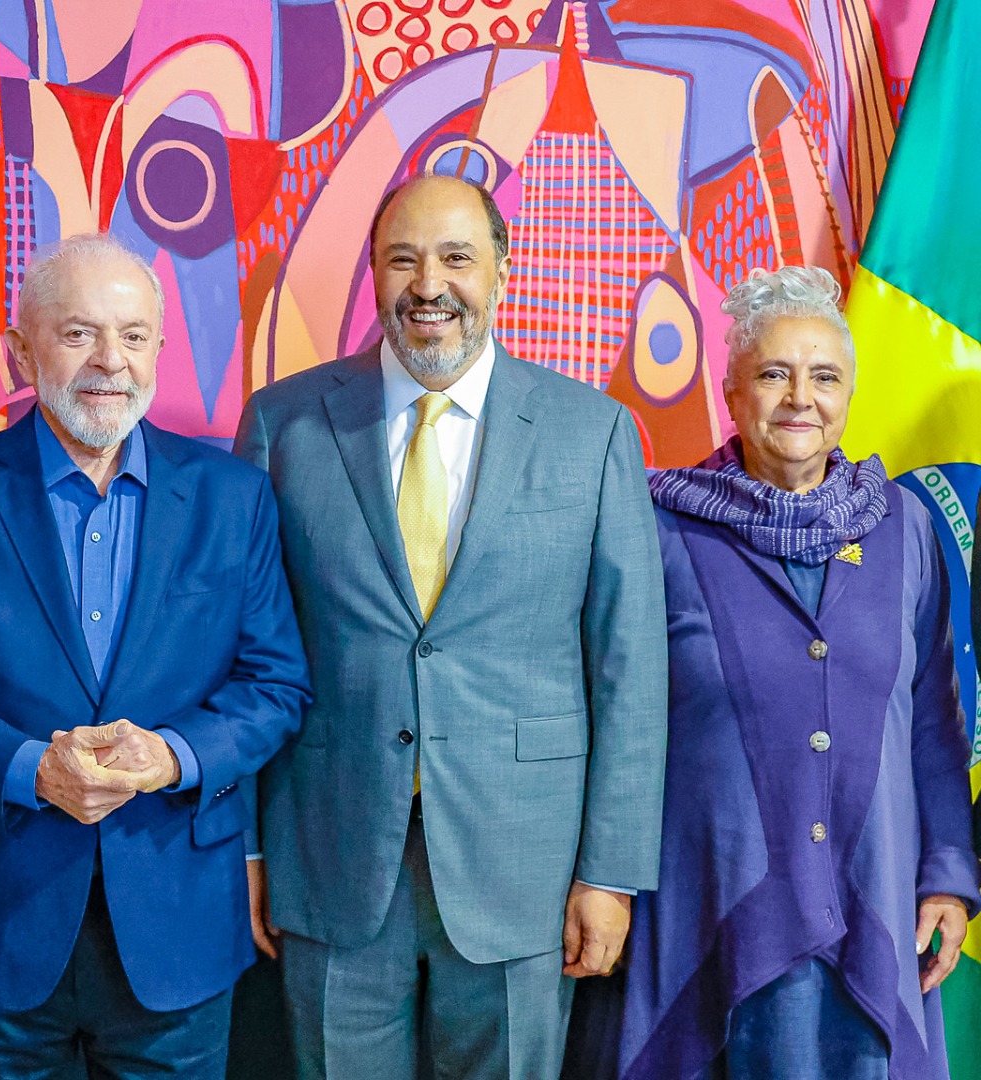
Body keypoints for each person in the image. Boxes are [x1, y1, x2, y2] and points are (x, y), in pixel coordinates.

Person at [234, 173, 669, 1080]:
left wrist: (611, 872)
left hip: (527, 866)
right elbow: (244, 654)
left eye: (456, 257)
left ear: (503, 272)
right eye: (403, 259)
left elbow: (629, 668)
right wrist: (250, 844)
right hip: (328, 855)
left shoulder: (592, 432)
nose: (428, 284)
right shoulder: (284, 424)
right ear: (374, 274)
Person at [0, 232, 311, 1080]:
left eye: (133, 335)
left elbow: (275, 685)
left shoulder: (233, 496)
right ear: (21, 351)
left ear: (160, 349)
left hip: (179, 930)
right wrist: (30, 769)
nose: (111, 360)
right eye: (78, 333)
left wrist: (172, 755)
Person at [618, 266, 978, 1079]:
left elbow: (933, 721)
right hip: (708, 913)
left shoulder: (905, 527)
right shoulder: (658, 525)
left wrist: (948, 877)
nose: (799, 399)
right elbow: (617, 714)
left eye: (824, 378)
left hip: (878, 908)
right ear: (731, 392)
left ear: (849, 395)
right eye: (774, 374)